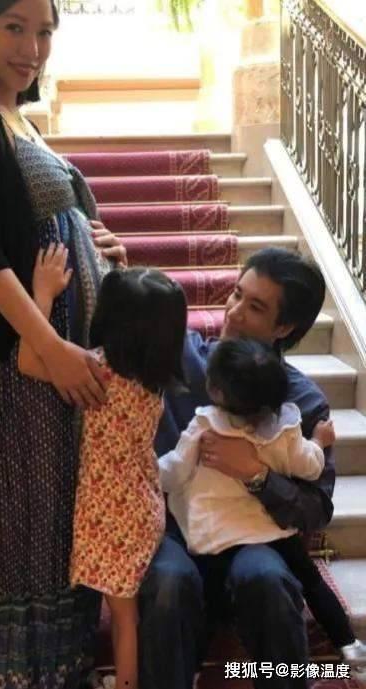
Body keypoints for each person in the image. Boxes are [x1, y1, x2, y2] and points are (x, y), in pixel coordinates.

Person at [0, 1, 128, 687]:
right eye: (14, 27)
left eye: (43, 32)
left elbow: (52, 220)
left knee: (53, 518)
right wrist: (52, 346)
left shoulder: (21, 120)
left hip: (55, 360)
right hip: (22, 363)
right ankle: (16, 672)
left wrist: (103, 246)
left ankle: (57, 664)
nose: (32, 47)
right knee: (22, 525)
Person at [138, 248, 340, 689]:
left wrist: (257, 475)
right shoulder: (185, 358)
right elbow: (126, 322)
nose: (233, 312)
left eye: (256, 307)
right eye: (236, 294)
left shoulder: (301, 401)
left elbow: (315, 510)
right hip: (174, 531)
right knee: (168, 582)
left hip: (252, 537)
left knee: (267, 579)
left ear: (284, 327)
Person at [18, 251, 188, 689]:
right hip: (140, 507)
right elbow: (151, 305)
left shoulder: (96, 372)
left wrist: (42, 294)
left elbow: (27, 361)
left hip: (108, 512)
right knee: (125, 612)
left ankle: (127, 683)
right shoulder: (154, 379)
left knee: (123, 618)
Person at [158, 336, 366, 667]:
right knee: (311, 580)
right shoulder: (284, 429)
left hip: (216, 538)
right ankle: (349, 645)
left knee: (206, 602)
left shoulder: (205, 428)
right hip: (272, 533)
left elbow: (174, 473)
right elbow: (311, 467)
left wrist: (147, 468)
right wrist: (318, 440)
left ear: (216, 391)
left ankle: (193, 667)